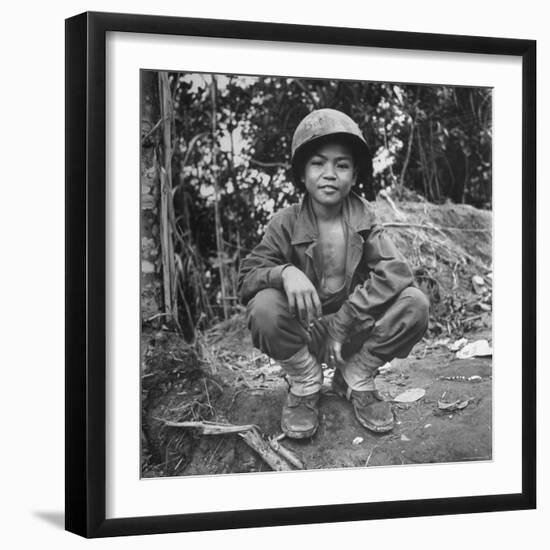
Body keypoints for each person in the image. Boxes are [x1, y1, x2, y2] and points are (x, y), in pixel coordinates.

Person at [237, 108, 429, 439]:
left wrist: (344, 322)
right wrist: (284, 273)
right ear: (301, 174)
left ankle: (356, 376)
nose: (330, 173)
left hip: (352, 331)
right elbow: (247, 277)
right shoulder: (285, 222)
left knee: (415, 303)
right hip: (305, 331)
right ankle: (305, 381)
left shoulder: (365, 219)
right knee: (264, 306)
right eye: (317, 163)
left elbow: (396, 273)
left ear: (354, 175)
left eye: (341, 165)